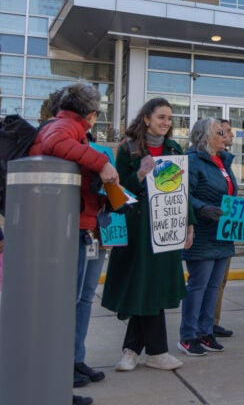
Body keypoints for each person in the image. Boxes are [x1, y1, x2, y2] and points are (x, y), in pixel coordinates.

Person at [28, 83, 119, 404]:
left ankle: (72, 362)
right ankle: (58, 377)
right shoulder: (64, 126)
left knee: (78, 302)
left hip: (86, 225)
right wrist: (101, 162)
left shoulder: (72, 127)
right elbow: (54, 143)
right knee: (65, 305)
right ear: (91, 113)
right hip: (71, 228)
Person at [102, 98, 192, 371]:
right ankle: (153, 352)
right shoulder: (129, 149)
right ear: (146, 118)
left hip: (166, 227)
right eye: (161, 117)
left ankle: (135, 351)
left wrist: (189, 224)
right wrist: (140, 174)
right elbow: (116, 192)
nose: (166, 123)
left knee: (152, 287)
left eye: (169, 118)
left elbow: (182, 192)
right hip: (138, 230)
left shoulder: (174, 148)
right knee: (141, 285)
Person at [177, 118, 236, 356]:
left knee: (213, 286)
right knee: (198, 285)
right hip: (201, 231)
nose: (225, 136)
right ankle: (188, 335)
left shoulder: (222, 162)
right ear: (205, 137)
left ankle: (205, 331)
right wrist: (202, 208)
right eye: (219, 132)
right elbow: (183, 193)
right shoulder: (193, 161)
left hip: (222, 232)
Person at [212, 118, 235, 338]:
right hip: (211, 228)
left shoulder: (225, 162)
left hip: (226, 228)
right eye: (226, 131)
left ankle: (213, 322)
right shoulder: (203, 160)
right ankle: (203, 324)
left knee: (221, 280)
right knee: (210, 281)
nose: (230, 135)